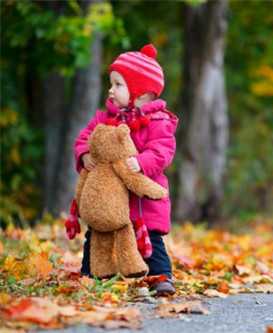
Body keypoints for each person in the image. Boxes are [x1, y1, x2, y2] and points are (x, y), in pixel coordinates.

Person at [70, 44, 178, 296]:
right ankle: (91, 273)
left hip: (142, 200)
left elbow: (163, 151)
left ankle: (161, 277)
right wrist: (84, 154)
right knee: (96, 234)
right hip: (109, 198)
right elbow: (84, 138)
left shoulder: (158, 121)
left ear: (141, 94)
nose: (111, 89)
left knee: (150, 241)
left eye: (118, 84)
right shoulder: (105, 118)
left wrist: (141, 162)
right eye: (112, 83)